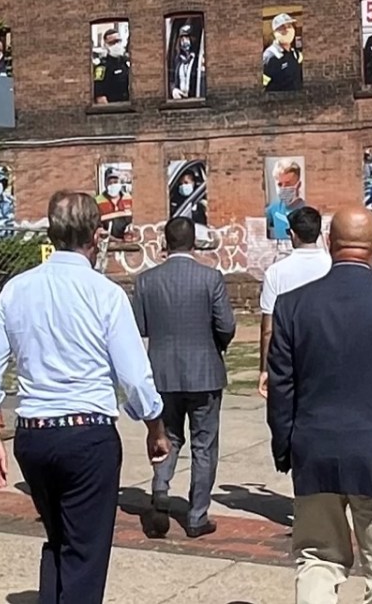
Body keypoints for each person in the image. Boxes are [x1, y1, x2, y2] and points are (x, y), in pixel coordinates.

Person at [0, 191, 169, 604]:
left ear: (52, 232)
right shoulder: (106, 294)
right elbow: (133, 376)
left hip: (35, 434)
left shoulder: (16, 290)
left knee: (58, 540)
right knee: (85, 551)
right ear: (95, 237)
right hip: (87, 434)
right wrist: (154, 424)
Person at [266, 206, 372, 604]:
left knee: (316, 559)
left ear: (330, 243)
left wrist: (286, 447)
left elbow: (281, 388)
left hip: (314, 450)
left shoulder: (292, 306)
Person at [132, 217, 235, 539]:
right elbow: (226, 325)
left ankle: (161, 489)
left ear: (165, 242)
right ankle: (197, 516)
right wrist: (216, 345)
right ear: (194, 243)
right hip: (204, 373)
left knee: (169, 437)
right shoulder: (211, 278)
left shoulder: (146, 280)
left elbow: (140, 327)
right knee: (204, 445)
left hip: (162, 373)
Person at [257, 207, 330, 399]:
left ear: (292, 234)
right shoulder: (331, 265)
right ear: (319, 233)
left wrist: (265, 368)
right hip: (328, 350)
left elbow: (268, 328)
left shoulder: (276, 272)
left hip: (290, 354)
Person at [265, 159, 306, 241]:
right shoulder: (273, 209)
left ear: (298, 185)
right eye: (280, 184)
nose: (283, 188)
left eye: (288, 184)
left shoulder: (306, 209)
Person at [263, 12, 303, 92]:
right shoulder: (269, 57)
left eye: (289, 26)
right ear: (275, 33)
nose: (287, 30)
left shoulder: (297, 55)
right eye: (282, 27)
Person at [92, 26, 130, 103]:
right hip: (113, 105)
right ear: (106, 45)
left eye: (118, 41)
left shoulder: (125, 62)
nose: (116, 45)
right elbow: (100, 95)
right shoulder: (102, 66)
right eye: (112, 43)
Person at [168, 22, 204, 99]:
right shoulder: (177, 60)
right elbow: (171, 79)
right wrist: (173, 90)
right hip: (179, 99)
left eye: (187, 38)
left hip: (193, 99)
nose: (184, 42)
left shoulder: (197, 60)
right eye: (182, 39)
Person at [96, 168, 133, 240]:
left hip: (128, 243)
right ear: (105, 183)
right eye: (110, 182)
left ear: (120, 182)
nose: (113, 185)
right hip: (107, 243)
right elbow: (95, 226)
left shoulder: (129, 199)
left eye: (115, 182)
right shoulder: (97, 201)